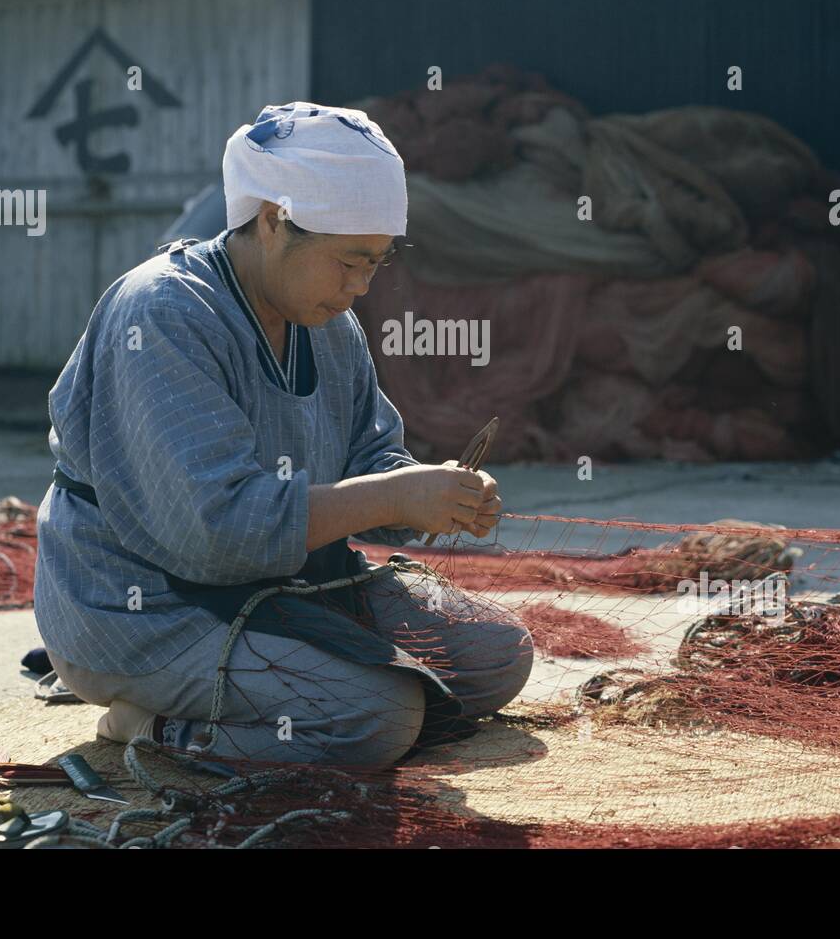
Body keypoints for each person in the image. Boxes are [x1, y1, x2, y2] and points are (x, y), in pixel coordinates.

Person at [34, 101, 534, 769]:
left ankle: (262, 692)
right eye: (349, 260)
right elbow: (217, 530)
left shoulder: (328, 322)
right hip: (147, 608)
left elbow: (370, 452)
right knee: (380, 715)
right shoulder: (162, 314)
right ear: (273, 221)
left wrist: (435, 489)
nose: (360, 287)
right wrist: (391, 498)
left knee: (497, 654)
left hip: (289, 579)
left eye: (377, 264)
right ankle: (149, 725)